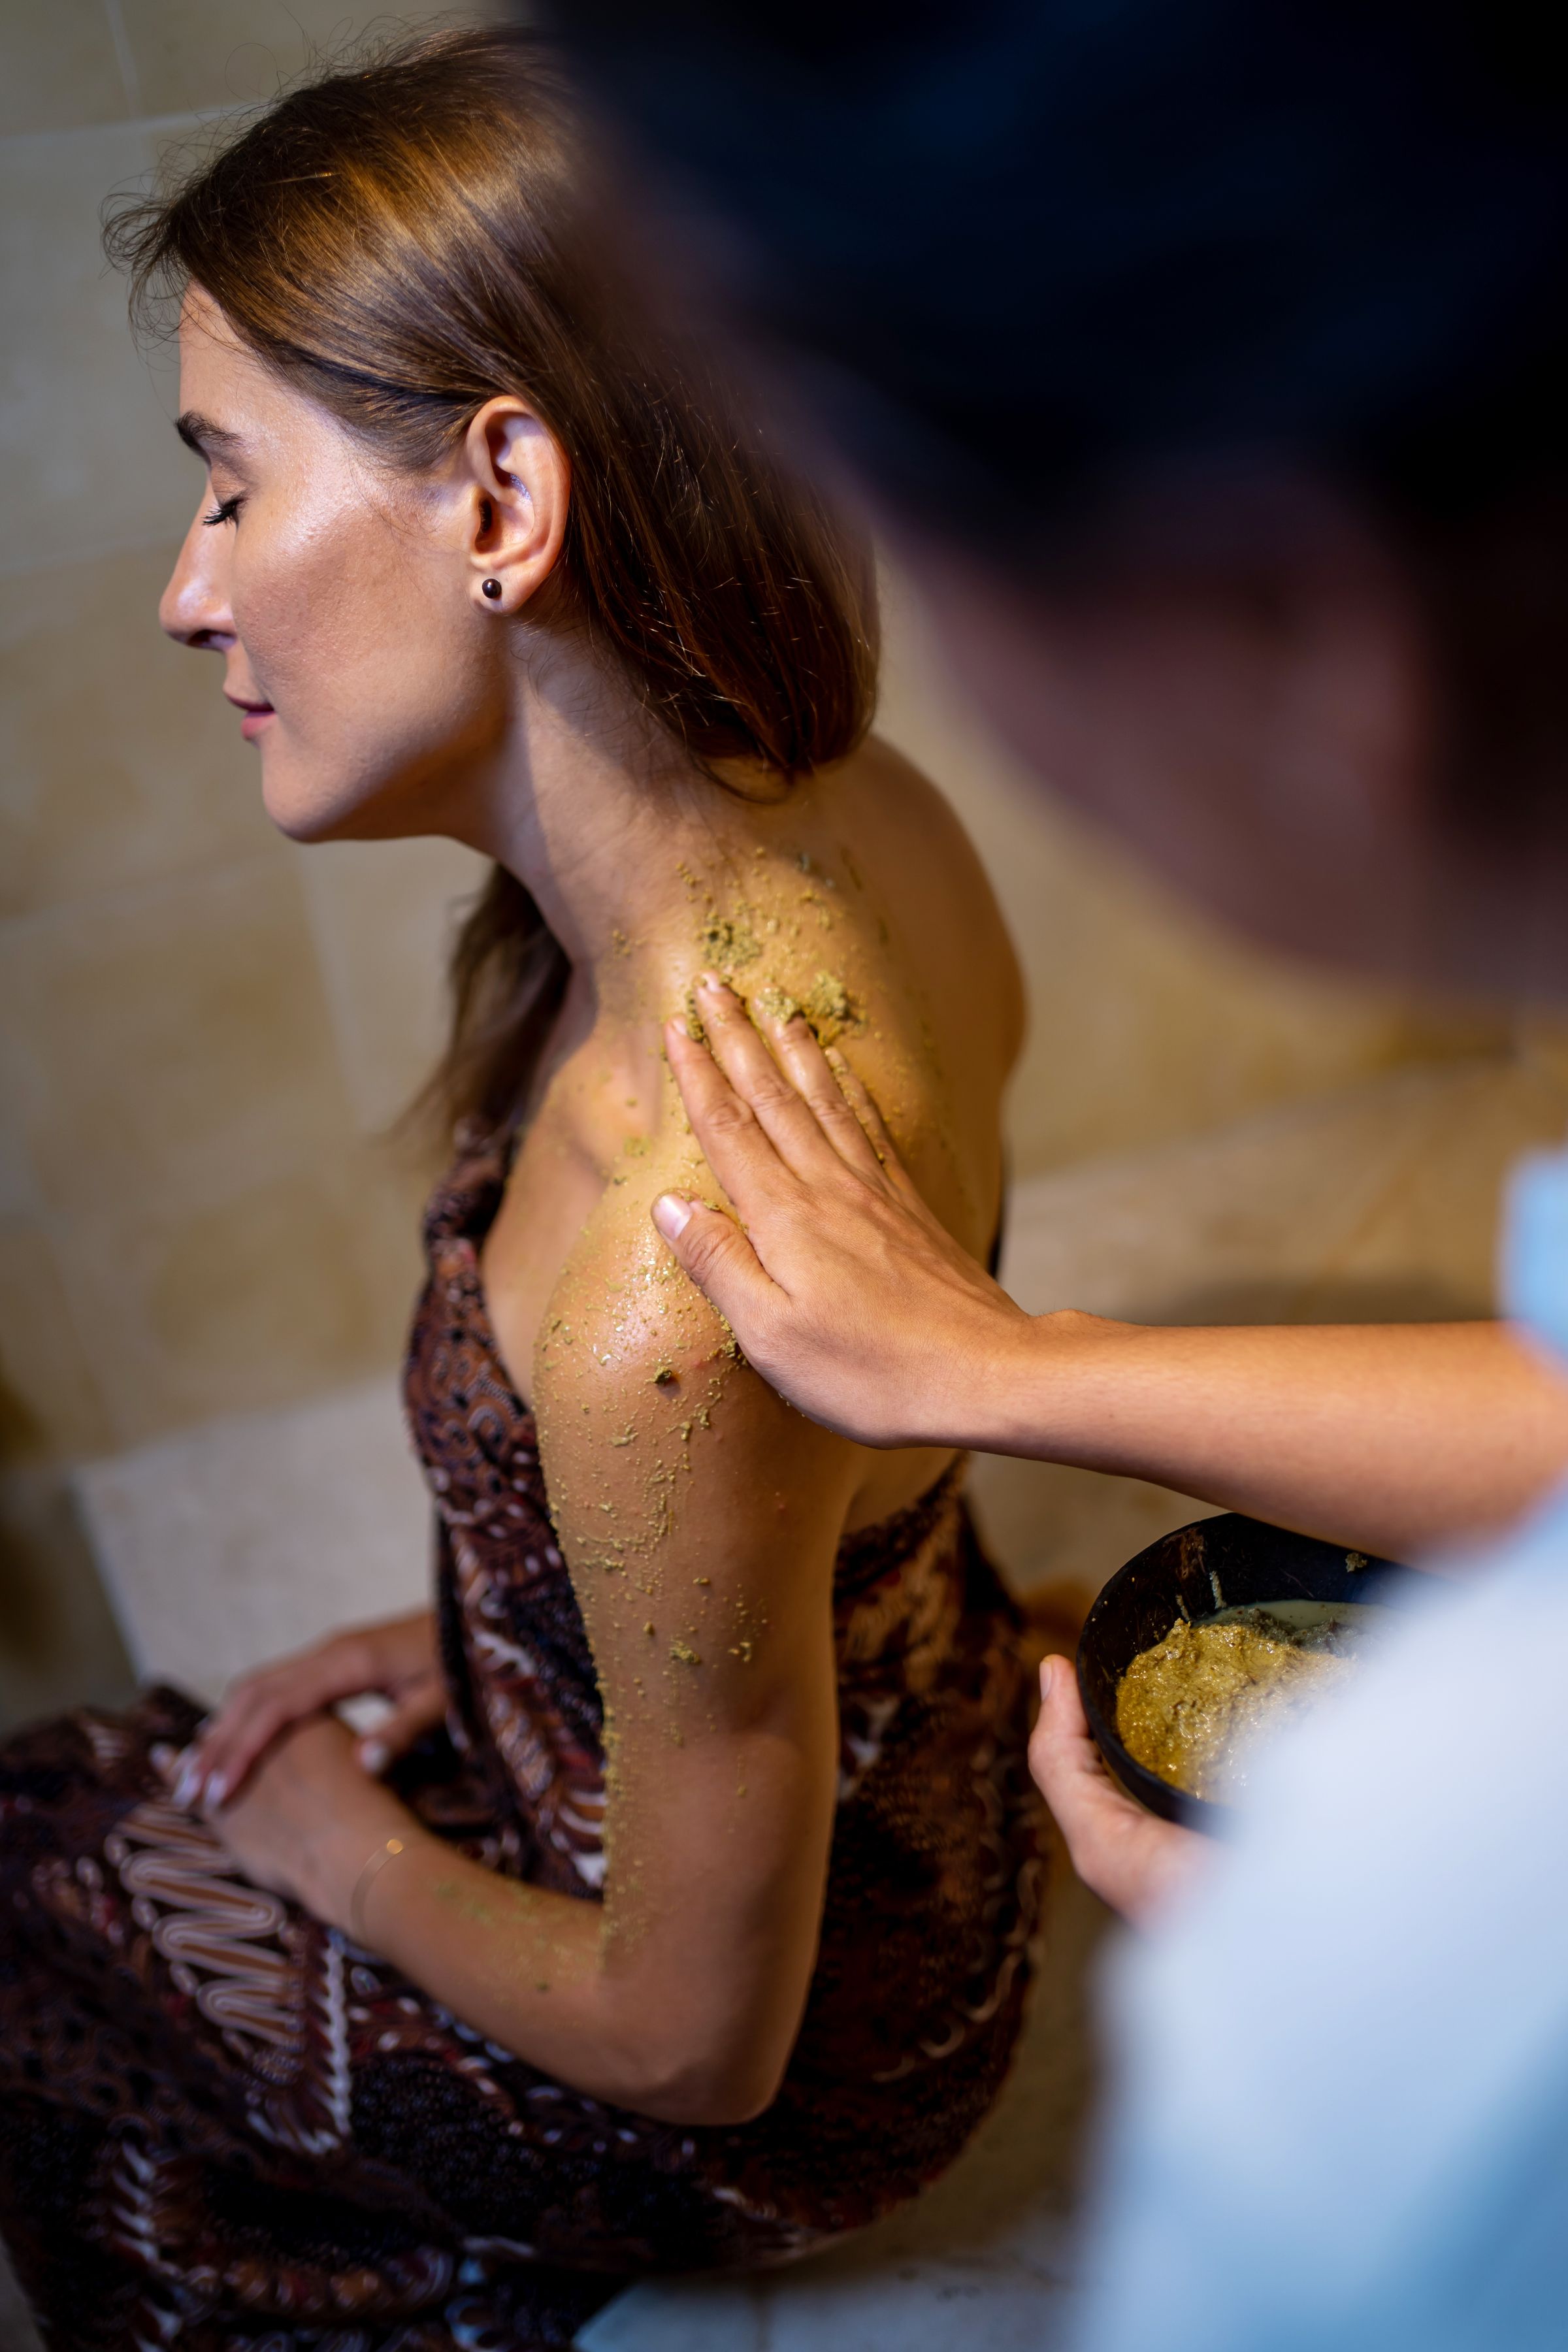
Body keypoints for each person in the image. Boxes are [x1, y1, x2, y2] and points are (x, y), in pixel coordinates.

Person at [532, 1, 1568, 2340]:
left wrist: (1332, 1972)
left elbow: (691, 2033)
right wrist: (1020, 1365)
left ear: (1288, 609)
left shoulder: (1405, 2032)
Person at [0, 31, 1043, 2347]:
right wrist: (488, 1632)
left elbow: (696, 2042)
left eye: (229, 489)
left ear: (502, 495)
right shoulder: (864, 813)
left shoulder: (668, 1264)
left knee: (28, 1868)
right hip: (907, 1796)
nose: (186, 594)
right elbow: (785, 1511)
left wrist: (342, 1849)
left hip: (797, 2068)